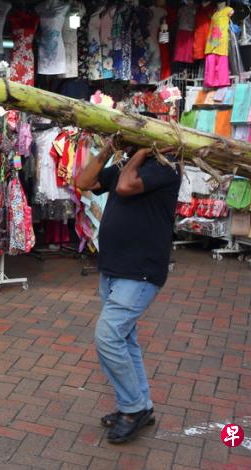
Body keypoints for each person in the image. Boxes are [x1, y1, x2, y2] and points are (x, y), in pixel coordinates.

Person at [75, 137, 181, 444]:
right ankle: (141, 405)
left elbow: (125, 187)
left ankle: (132, 409)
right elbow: (84, 181)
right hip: (113, 270)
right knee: (124, 339)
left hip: (141, 272)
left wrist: (145, 152)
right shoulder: (125, 163)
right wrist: (109, 148)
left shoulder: (167, 166)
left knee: (108, 337)